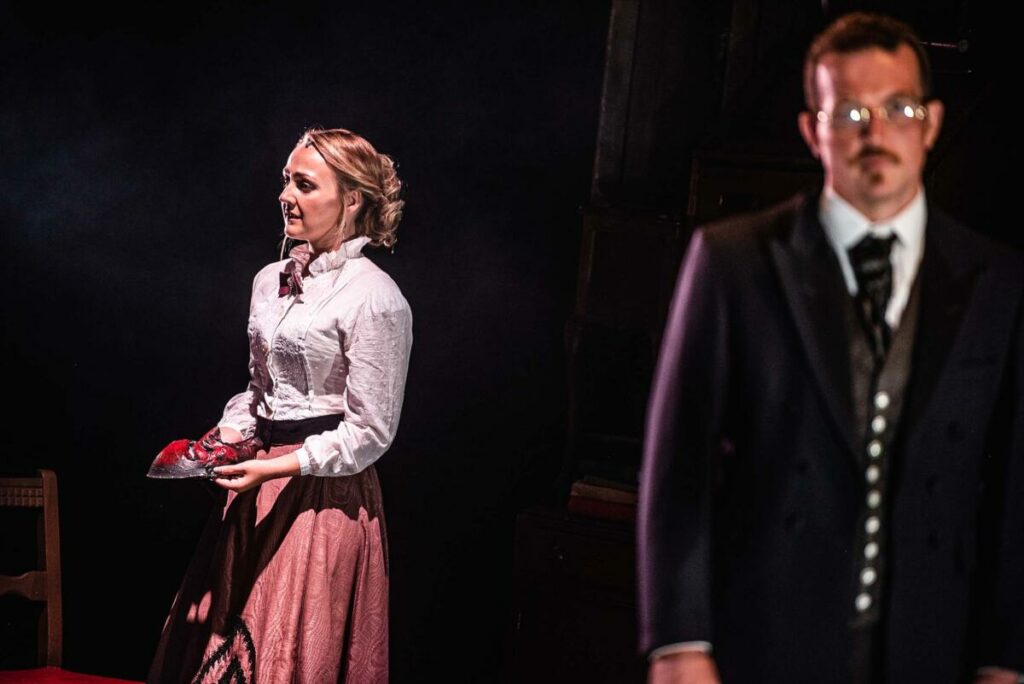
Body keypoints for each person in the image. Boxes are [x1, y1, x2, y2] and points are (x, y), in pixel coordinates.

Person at [637, 12, 1023, 684]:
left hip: (933, 651)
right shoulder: (732, 262)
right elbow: (680, 469)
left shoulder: (998, 280)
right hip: (762, 642)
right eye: (849, 113)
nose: (876, 133)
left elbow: (1015, 494)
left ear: (931, 124)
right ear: (812, 130)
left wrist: (1006, 661)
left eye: (898, 108)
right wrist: (678, 647)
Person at [148, 127, 412, 683]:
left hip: (321, 495)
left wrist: (276, 467)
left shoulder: (375, 297)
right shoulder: (270, 280)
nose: (285, 195)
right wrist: (226, 437)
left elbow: (370, 432)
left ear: (352, 199)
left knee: (287, 650)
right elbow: (261, 388)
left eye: (304, 185)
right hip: (256, 482)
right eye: (286, 180)